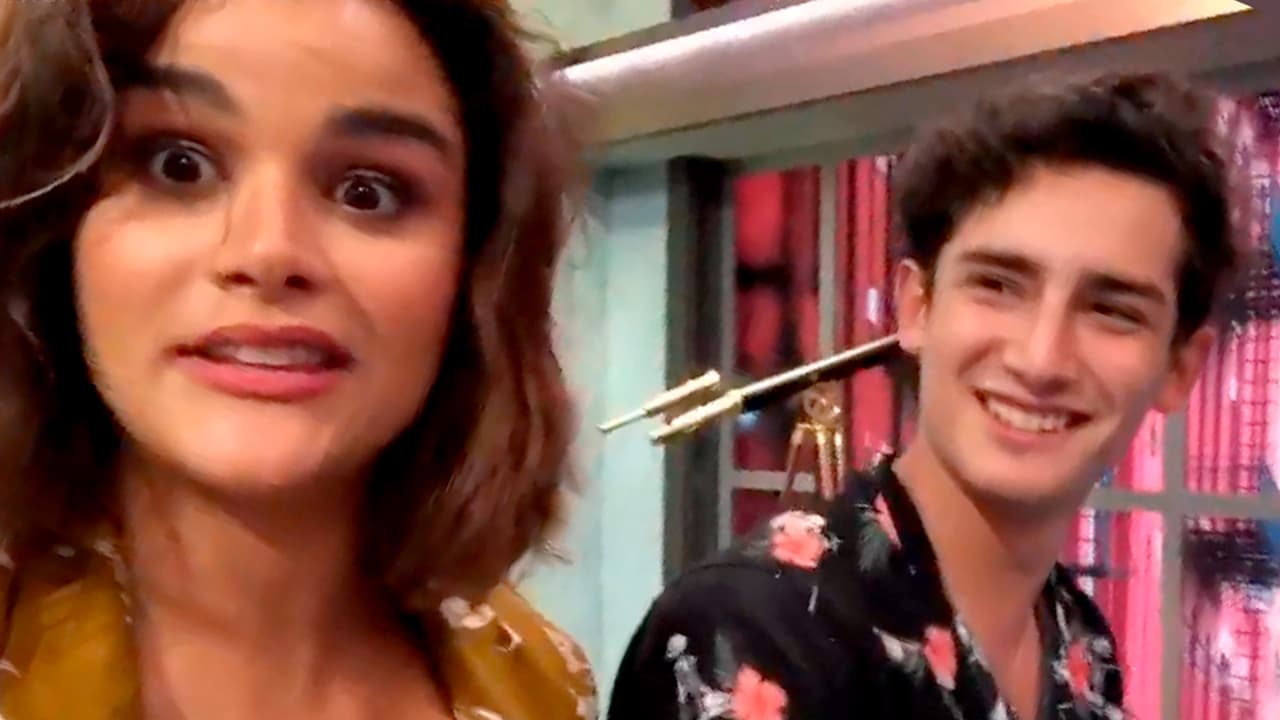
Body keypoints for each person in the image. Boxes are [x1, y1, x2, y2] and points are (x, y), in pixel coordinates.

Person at [0, 2, 595, 719]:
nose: (268, 251)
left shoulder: (546, 684)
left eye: (367, 192)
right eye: (177, 166)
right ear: (54, 228)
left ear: (475, 268)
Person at [608, 71, 1239, 720]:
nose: (1041, 358)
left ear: (1180, 367)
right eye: (997, 285)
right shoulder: (758, 629)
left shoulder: (1079, 642)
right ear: (916, 307)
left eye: (1112, 310)